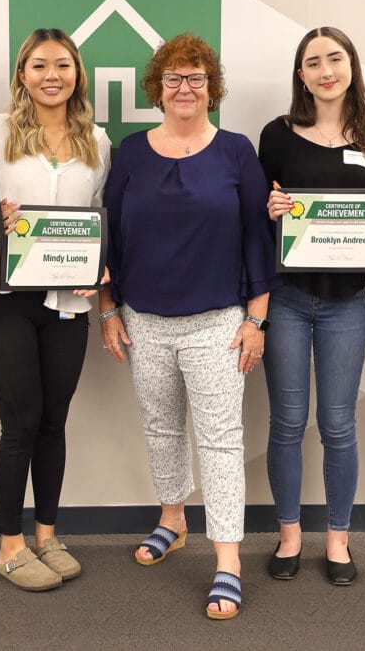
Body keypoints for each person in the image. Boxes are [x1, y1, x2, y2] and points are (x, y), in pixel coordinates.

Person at [99, 33, 276, 620]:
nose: (184, 88)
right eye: (173, 78)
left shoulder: (236, 152)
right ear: (156, 87)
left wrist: (257, 318)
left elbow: (258, 235)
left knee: (221, 441)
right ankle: (171, 519)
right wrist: (108, 307)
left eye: (196, 78)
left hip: (219, 321)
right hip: (143, 318)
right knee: (161, 427)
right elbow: (110, 235)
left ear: (212, 88)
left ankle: (228, 561)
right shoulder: (129, 152)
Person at [259, 26, 365, 585]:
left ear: (351, 65)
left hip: (347, 304)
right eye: (312, 62)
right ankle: (289, 534)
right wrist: (270, 209)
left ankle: (338, 540)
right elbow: (257, 215)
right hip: (288, 301)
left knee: (338, 425)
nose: (325, 70)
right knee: (287, 423)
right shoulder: (278, 134)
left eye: (334, 59)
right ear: (301, 76)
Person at [0, 29, 111, 591]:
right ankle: (10, 546)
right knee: (21, 422)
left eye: (62, 65)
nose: (51, 75)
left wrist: (103, 266)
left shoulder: (99, 142)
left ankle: (47, 535)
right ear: (21, 75)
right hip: (5, 299)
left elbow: (102, 216)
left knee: (54, 421)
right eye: (38, 66)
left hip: (68, 304)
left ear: (77, 73)